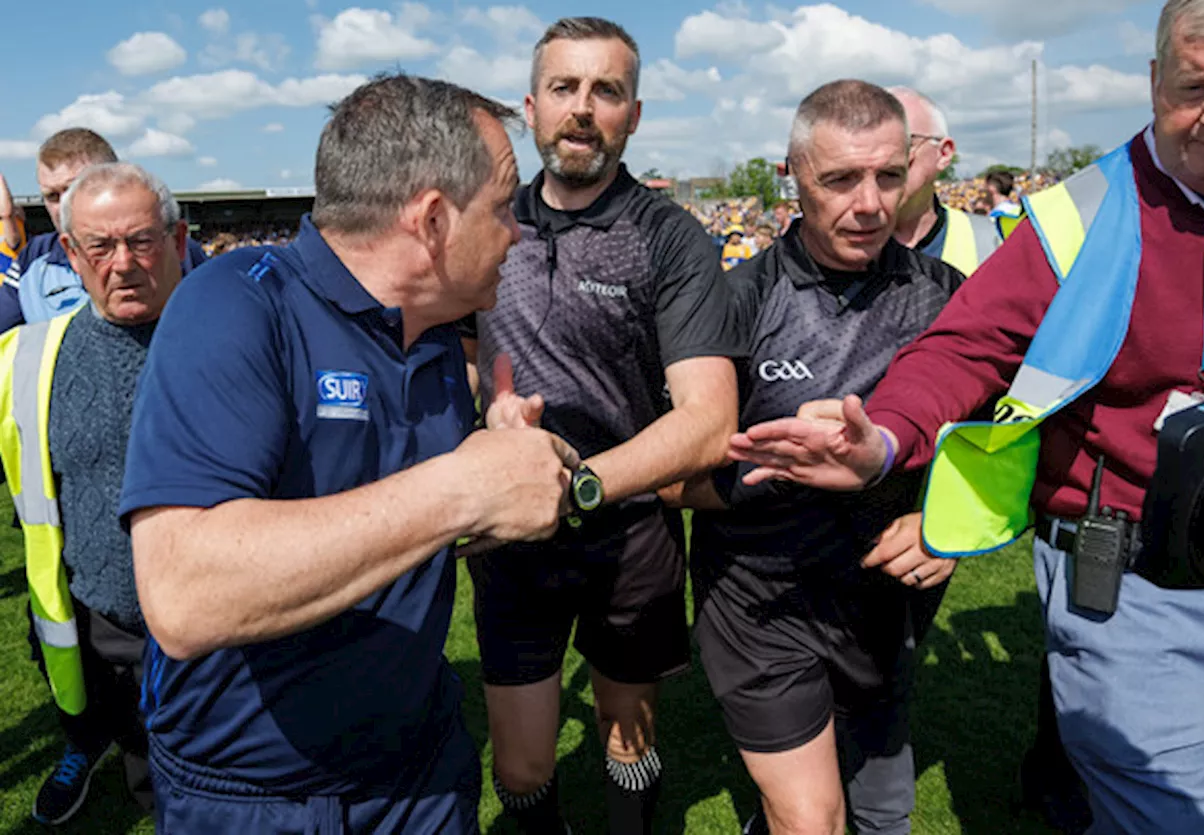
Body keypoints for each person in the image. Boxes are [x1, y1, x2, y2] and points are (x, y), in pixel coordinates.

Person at [729, 2, 1204, 832]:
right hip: (1132, 586)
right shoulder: (1082, 211)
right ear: (1154, 81)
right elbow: (961, 350)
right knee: (1168, 819)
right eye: (1195, 83)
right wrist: (882, 441)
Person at [118, 74, 578, 834]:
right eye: (501, 208)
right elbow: (183, 592)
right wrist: (462, 487)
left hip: (419, 771)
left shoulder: (434, 334)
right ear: (432, 219)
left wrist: (495, 462)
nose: (517, 232)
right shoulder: (234, 304)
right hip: (255, 797)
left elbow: (386, 502)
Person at [462, 17, 741, 835]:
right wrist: (494, 406)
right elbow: (474, 354)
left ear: (634, 114)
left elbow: (709, 420)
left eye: (606, 91)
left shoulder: (670, 237)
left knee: (628, 731)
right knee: (520, 763)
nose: (584, 108)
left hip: (629, 529)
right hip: (513, 538)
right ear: (531, 106)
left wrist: (578, 484)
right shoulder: (491, 223)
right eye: (565, 88)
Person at [663, 80, 963, 835]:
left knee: (884, 815)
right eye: (840, 179)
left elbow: (1011, 441)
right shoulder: (737, 300)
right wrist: (784, 472)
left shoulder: (950, 300)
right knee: (811, 819)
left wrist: (951, 523)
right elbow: (668, 474)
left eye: (888, 177)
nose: (869, 203)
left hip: (881, 606)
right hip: (761, 602)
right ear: (792, 175)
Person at [0, 162, 183, 825]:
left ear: (179, 241)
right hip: (95, 616)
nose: (124, 263)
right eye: (101, 247)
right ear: (71, 253)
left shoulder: (229, 338)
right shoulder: (27, 356)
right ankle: (90, 749)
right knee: (139, 764)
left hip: (214, 618)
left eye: (141, 240)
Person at [0, 128, 206, 332]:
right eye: (52, 196)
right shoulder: (33, 259)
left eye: (75, 189)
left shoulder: (178, 250)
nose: (63, 205)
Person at [887, 87, 1000, 277]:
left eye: (903, 143)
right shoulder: (830, 247)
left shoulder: (992, 243)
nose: (884, 159)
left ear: (944, 153)